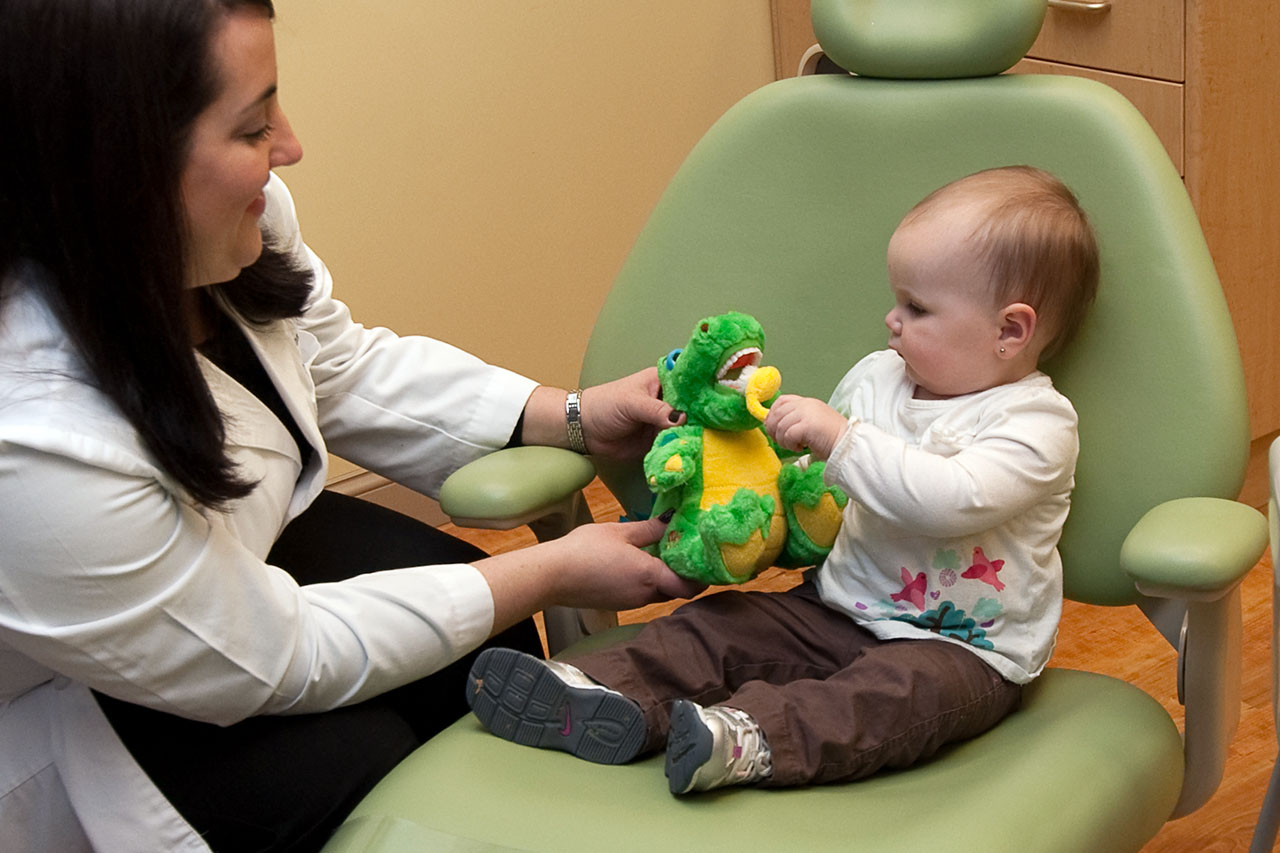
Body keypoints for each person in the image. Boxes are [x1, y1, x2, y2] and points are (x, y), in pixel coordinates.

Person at [0, 2, 703, 851]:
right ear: (119, 165)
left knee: (485, 654)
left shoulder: (219, 224)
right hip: (63, 686)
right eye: (254, 125)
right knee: (344, 775)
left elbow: (334, 364)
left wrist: (573, 417)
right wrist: (551, 570)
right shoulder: (34, 434)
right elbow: (277, 654)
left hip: (209, 559)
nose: (289, 146)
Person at [467, 165, 1100, 795]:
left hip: (963, 649)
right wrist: (755, 496)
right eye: (896, 298)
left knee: (889, 700)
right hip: (836, 606)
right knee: (721, 626)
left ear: (1009, 331)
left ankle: (748, 739)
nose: (891, 320)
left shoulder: (1036, 424)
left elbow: (952, 500)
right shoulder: (879, 377)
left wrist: (838, 439)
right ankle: (603, 691)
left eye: (918, 307)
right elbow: (820, 487)